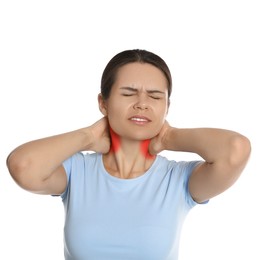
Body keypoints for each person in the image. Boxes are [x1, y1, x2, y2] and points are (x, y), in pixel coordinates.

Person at [6, 49, 251, 260]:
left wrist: (169, 138)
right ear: (103, 103)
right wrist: (89, 137)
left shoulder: (178, 180)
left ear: (167, 107)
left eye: (155, 96)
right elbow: (22, 166)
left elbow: (236, 149)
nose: (142, 103)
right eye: (128, 93)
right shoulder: (76, 171)